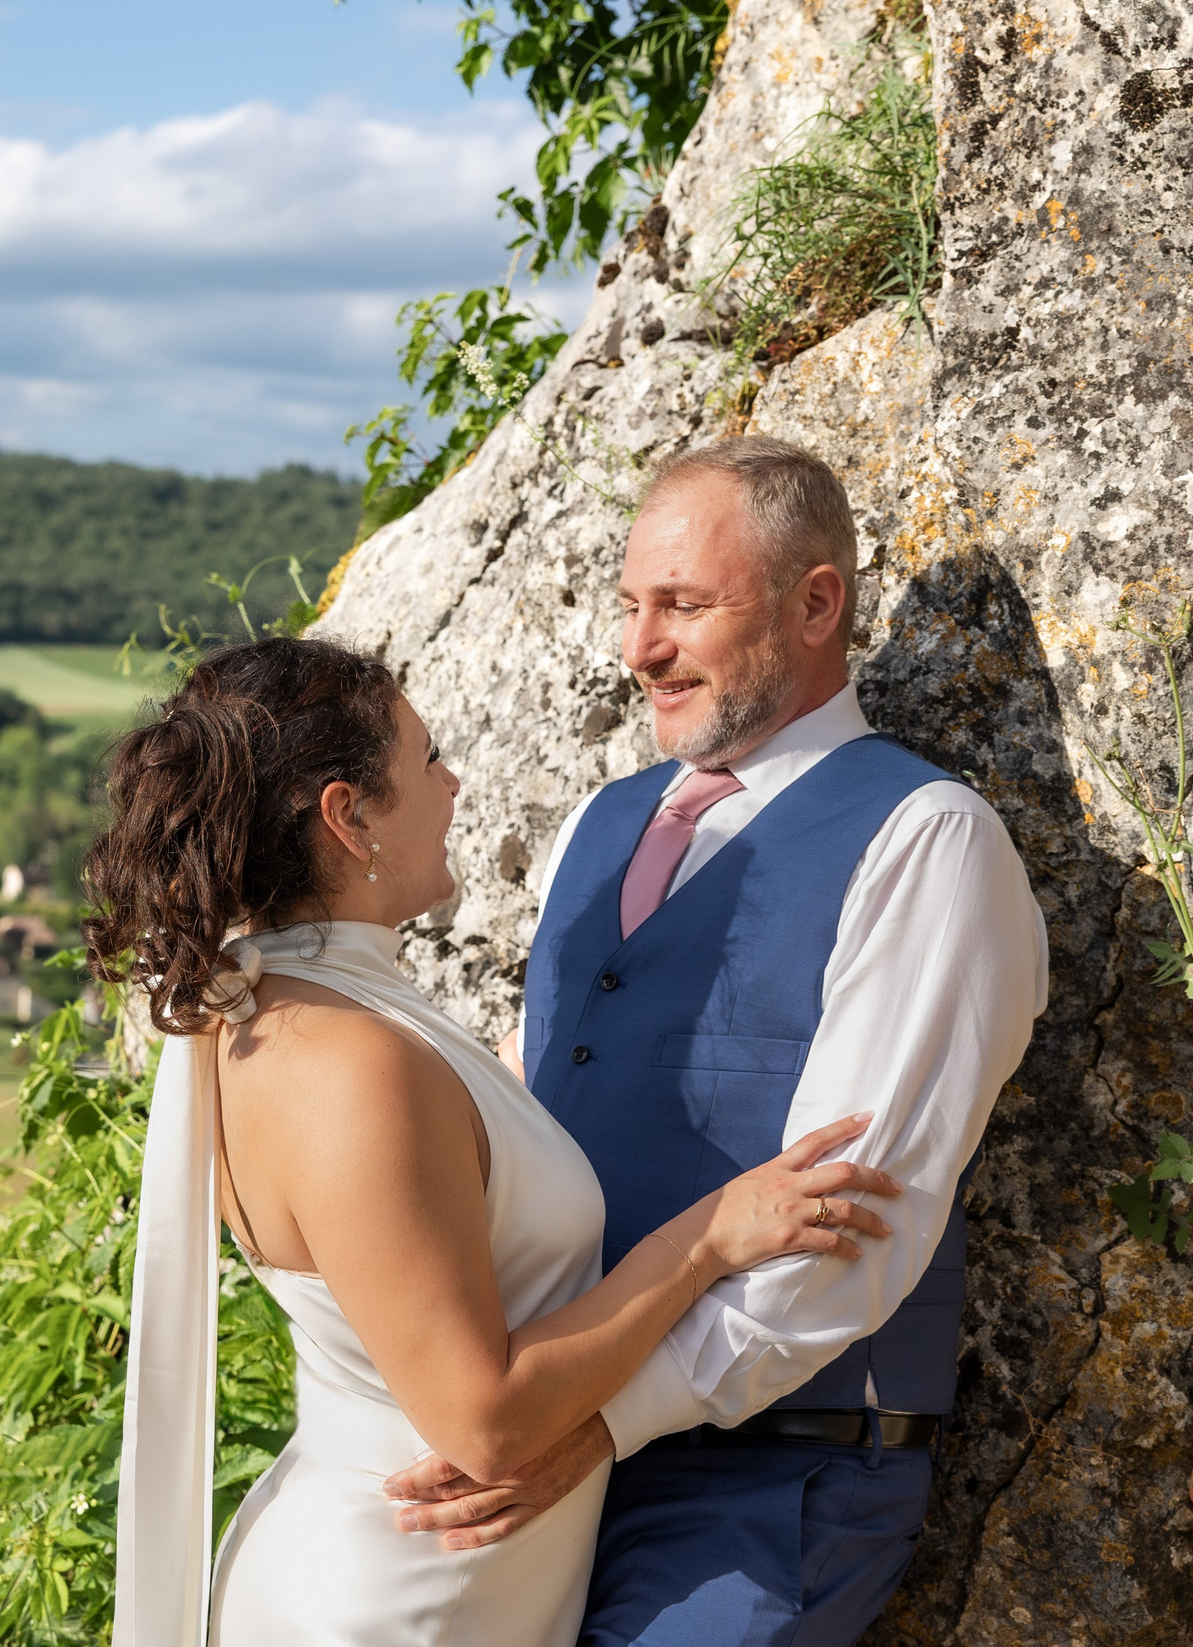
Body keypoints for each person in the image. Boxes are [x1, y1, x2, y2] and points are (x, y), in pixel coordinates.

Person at [89, 635, 905, 1647]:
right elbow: (485, 1422)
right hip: (403, 1600)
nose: (454, 784)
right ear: (348, 816)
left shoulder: (310, 1010)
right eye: (426, 759)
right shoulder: (345, 1061)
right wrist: (706, 1239)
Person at [385, 436, 1051, 1645]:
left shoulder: (923, 840)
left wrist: (599, 1426)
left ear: (815, 604)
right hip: (543, 1457)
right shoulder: (599, 828)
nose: (639, 648)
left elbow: (849, 1222)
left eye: (684, 606)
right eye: (631, 605)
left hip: (766, 1481)